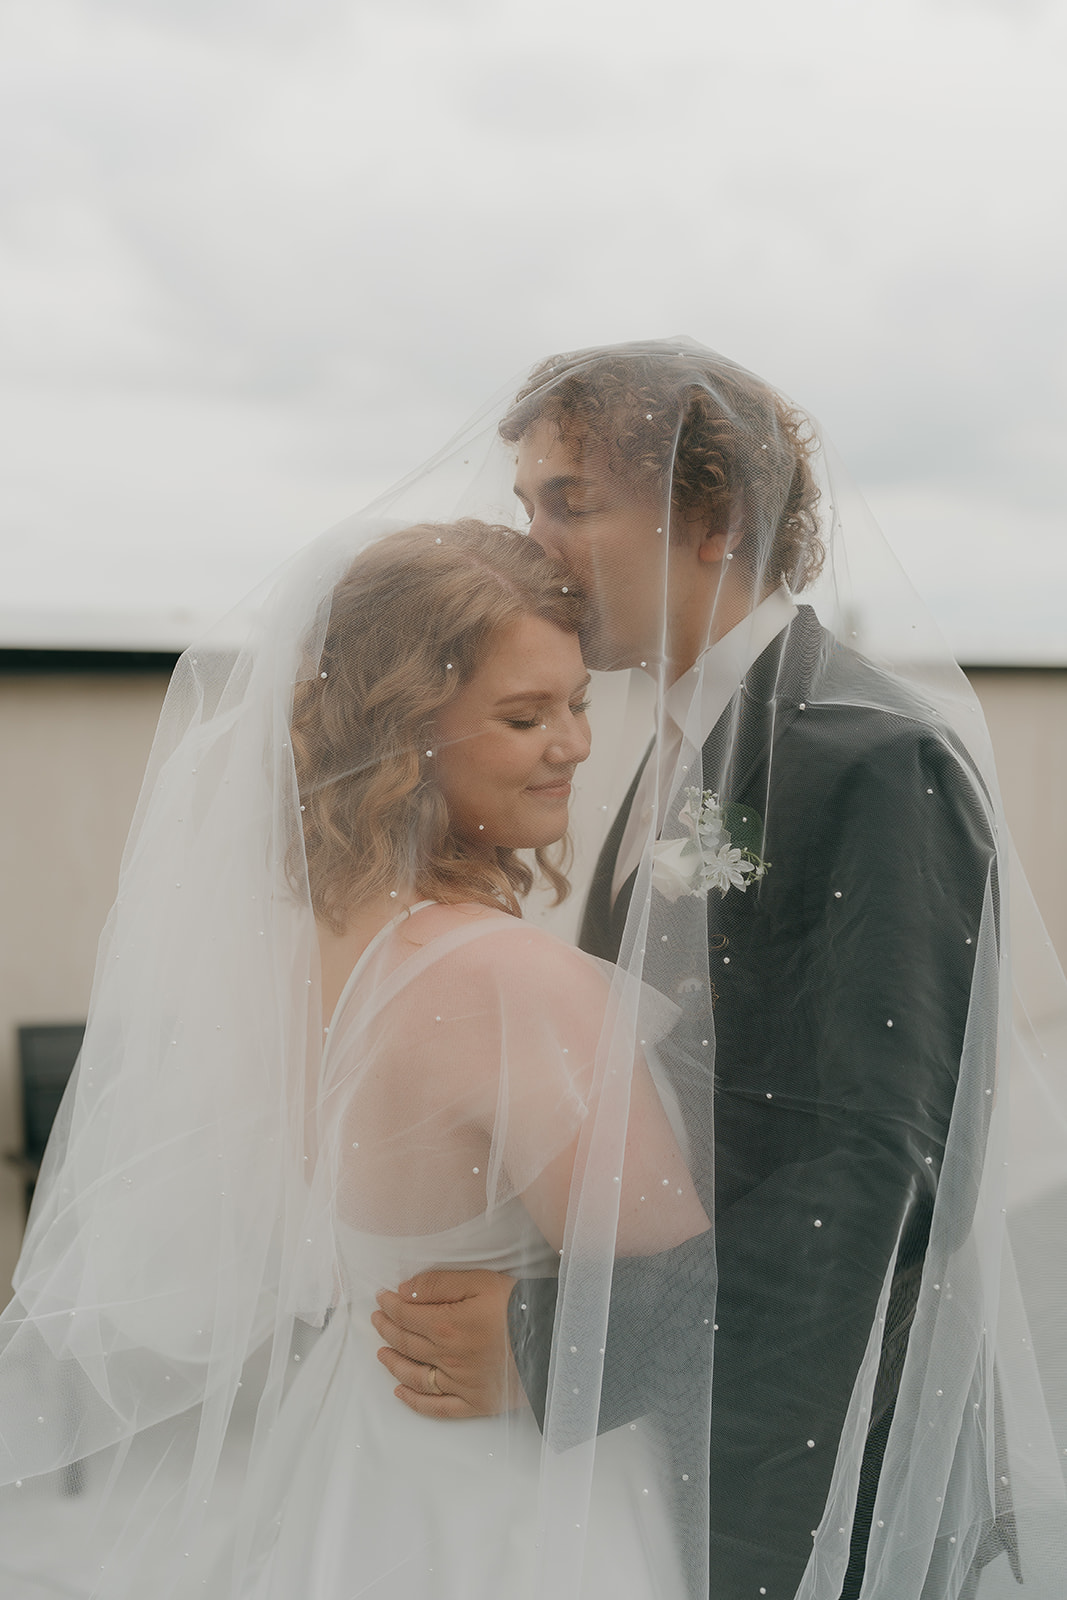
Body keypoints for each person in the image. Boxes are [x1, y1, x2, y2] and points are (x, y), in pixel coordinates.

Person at [372, 343, 1067, 1598]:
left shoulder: (866, 758)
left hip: (801, 1470)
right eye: (527, 500)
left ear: (712, 517)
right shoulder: (679, 739)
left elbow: (873, 1173)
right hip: (674, 1447)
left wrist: (551, 1348)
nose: (531, 541)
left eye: (569, 500)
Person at [0, 517, 709, 1599]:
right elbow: (684, 1302)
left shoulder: (294, 941)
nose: (573, 744)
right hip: (518, 1499)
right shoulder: (512, 983)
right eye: (525, 716)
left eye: (577, 702)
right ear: (402, 733)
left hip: (364, 1453)